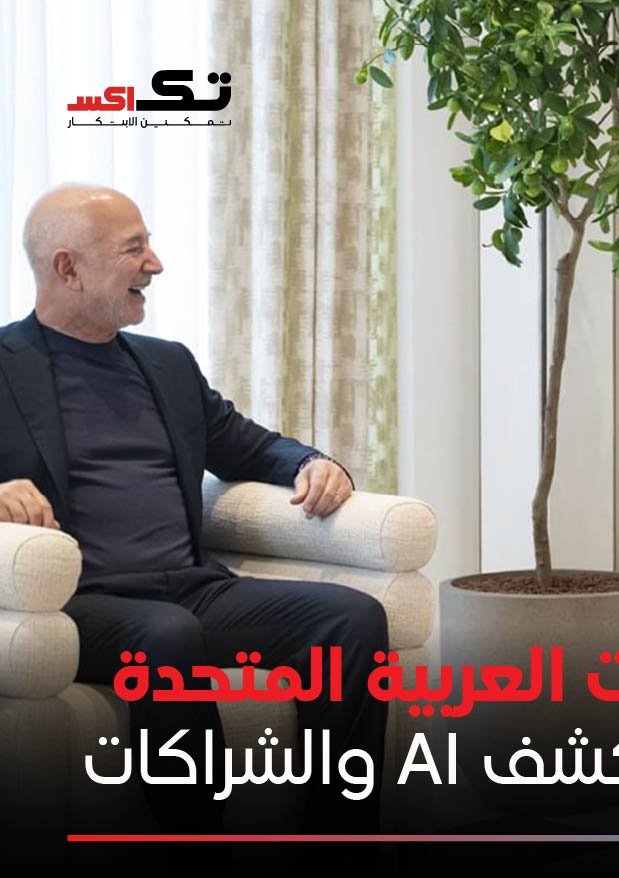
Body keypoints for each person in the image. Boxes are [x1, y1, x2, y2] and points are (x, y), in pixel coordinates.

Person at [0, 184, 388, 835]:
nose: (154, 264)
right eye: (133, 249)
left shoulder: (166, 364)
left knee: (352, 618)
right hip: (83, 603)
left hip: (193, 590)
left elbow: (247, 444)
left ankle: (340, 845)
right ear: (68, 269)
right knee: (167, 635)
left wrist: (311, 463)